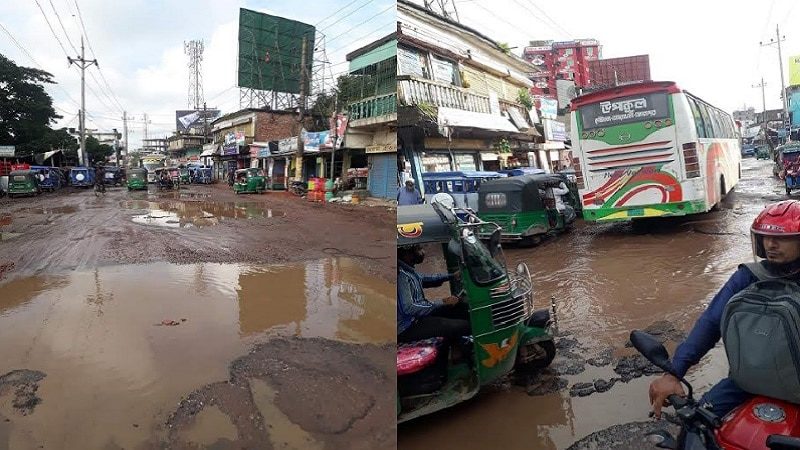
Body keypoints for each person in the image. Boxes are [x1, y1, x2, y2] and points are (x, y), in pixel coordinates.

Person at [649, 200, 800, 419]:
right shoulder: (748, 276)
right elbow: (711, 322)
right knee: (696, 423)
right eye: (766, 237)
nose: (770, 245)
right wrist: (674, 373)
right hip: (748, 381)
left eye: (781, 238)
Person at [397, 244, 470, 343]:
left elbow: (425, 279)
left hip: (419, 315)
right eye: (418, 249)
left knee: (461, 309)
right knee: (463, 326)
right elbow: (408, 308)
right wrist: (442, 302)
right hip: (409, 326)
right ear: (406, 253)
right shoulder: (401, 275)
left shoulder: (408, 270)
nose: (423, 252)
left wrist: (452, 276)